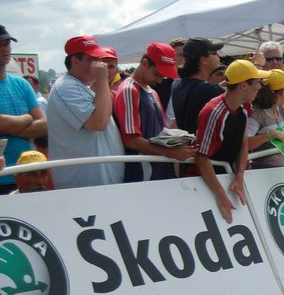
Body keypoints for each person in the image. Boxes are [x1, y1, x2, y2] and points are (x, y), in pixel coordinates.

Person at [44, 36, 126, 189]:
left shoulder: (80, 86)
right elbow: (99, 123)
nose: (99, 64)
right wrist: (102, 80)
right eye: (92, 59)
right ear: (75, 61)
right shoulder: (66, 87)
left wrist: (100, 82)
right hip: (84, 183)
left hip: (97, 183)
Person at [194, 60, 266, 223]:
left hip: (226, 181)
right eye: (257, 82)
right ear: (243, 86)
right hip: (203, 185)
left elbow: (243, 142)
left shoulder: (243, 107)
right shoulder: (213, 112)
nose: (260, 87)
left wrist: (239, 176)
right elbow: (200, 157)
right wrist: (220, 194)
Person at [112, 42, 196, 181]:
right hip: (144, 174)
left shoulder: (152, 91)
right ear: (144, 63)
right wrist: (171, 152)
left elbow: (159, 134)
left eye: (164, 76)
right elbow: (130, 140)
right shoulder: (129, 90)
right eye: (157, 74)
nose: (160, 79)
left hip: (159, 171)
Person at [0, 25, 47, 193]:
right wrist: (27, 118)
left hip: (27, 177)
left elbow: (43, 125)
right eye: (0, 44)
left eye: (7, 44)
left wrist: (9, 127)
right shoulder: (23, 84)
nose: (5, 49)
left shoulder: (21, 84)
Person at [171, 37, 225, 133]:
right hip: (201, 146)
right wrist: (258, 65)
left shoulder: (177, 84)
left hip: (187, 143)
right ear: (204, 60)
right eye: (214, 53)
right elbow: (241, 92)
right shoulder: (208, 90)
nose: (218, 56)